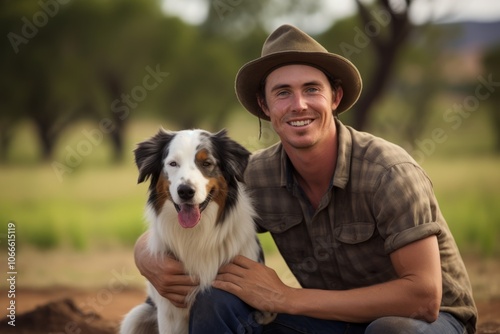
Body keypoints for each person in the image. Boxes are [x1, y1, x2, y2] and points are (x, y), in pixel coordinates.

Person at [134, 24, 477, 333]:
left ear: (335, 97)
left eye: (312, 89)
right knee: (216, 302)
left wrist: (287, 298)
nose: (298, 105)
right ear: (265, 106)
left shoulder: (389, 173)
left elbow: (424, 298)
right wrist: (146, 258)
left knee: (390, 331)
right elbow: (191, 207)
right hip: (327, 321)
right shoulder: (255, 175)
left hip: (427, 322)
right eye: (282, 92)